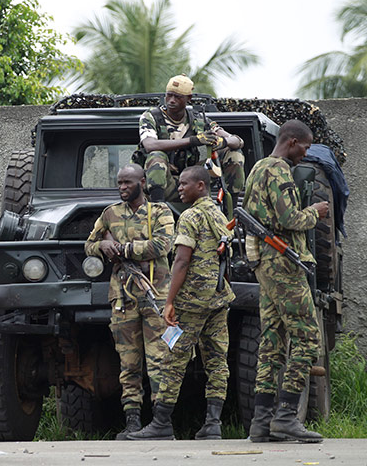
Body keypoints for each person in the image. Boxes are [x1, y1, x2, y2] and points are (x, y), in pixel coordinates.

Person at [127, 166, 235, 441]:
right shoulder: (219, 214)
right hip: (218, 298)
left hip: (192, 302)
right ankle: (213, 424)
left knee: (172, 359)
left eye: (185, 184)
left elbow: (182, 260)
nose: (180, 188)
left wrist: (170, 302)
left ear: (201, 185)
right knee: (217, 360)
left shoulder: (190, 216)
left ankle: (161, 423)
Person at [243, 119, 328, 443]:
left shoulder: (256, 168)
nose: (306, 154)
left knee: (272, 344)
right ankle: (286, 417)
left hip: (265, 265)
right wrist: (315, 212)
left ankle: (261, 423)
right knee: (307, 339)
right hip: (283, 263)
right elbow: (288, 219)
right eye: (305, 147)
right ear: (292, 142)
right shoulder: (278, 170)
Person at [84, 164, 175, 440]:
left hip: (155, 296)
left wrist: (121, 249)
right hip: (123, 298)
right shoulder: (110, 214)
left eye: (127, 182)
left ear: (143, 182)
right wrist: (101, 246)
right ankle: (133, 423)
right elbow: (89, 244)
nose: (122, 187)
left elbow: (162, 245)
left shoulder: (160, 212)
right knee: (129, 363)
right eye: (119, 183)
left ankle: (162, 423)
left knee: (160, 359)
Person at [137, 74, 245, 202]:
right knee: (156, 156)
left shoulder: (198, 119)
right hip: (164, 184)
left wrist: (223, 142)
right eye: (169, 95)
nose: (171, 100)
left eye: (177, 97)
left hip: (193, 185)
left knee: (234, 154)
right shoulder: (151, 116)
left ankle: (230, 209)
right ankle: (158, 210)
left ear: (188, 98)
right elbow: (150, 145)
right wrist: (194, 140)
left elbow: (238, 141)